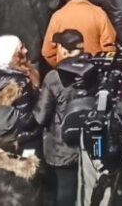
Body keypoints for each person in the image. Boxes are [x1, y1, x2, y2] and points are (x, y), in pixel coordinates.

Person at [34, 29, 89, 206]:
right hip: (90, 141)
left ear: (64, 51)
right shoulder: (94, 70)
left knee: (65, 190)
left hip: (62, 145)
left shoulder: (54, 77)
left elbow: (41, 116)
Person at [41, 0, 117, 67]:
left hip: (67, 71)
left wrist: (60, 66)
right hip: (92, 68)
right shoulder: (98, 13)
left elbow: (47, 51)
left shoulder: (58, 16)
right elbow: (109, 46)